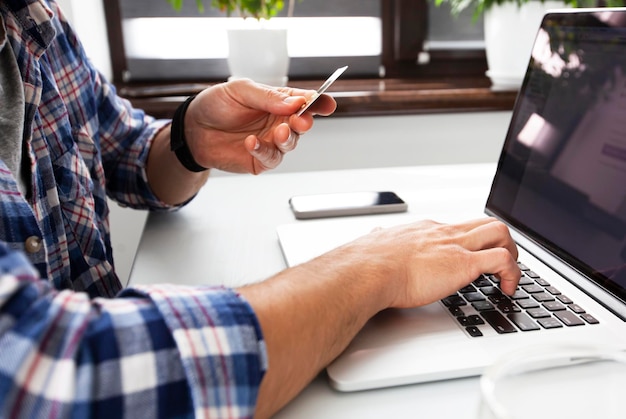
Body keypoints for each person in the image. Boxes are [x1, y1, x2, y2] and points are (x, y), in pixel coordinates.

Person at [0, 0, 521, 418]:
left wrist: (188, 138)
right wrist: (375, 267)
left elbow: (127, 154)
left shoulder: (34, 19)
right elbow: (57, 374)